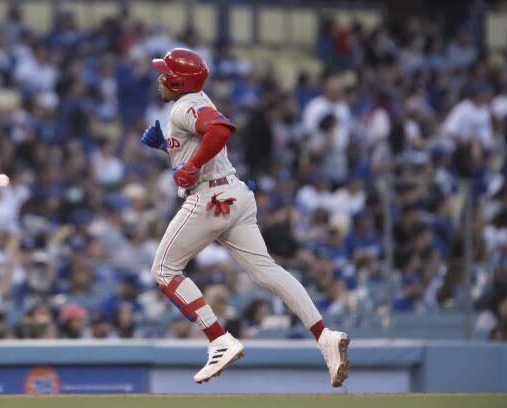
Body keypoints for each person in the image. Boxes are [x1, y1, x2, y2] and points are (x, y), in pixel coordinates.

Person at [141, 48, 350, 386]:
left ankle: (218, 339)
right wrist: (168, 148)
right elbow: (205, 138)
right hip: (235, 194)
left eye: (166, 73)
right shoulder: (194, 101)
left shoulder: (183, 106)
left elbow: (221, 129)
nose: (160, 78)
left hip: (209, 197)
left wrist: (190, 166)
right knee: (267, 271)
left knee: (163, 270)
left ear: (180, 81)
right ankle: (324, 336)